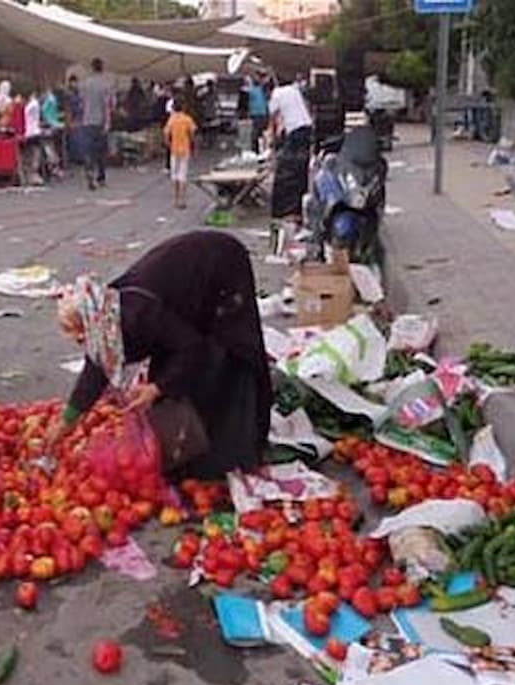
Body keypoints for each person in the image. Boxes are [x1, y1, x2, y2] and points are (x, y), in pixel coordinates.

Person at [47, 231, 272, 481]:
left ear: (92, 324)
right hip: (185, 290)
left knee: (223, 360)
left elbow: (191, 348)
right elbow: (95, 369)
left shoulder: (138, 314)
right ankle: (195, 449)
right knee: (176, 375)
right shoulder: (107, 319)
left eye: (81, 335)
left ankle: (232, 452)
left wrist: (157, 387)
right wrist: (66, 422)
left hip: (221, 269)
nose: (81, 342)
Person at [268, 74, 315, 223]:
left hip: (296, 132)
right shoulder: (294, 90)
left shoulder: (277, 93)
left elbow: (273, 117)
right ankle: (297, 207)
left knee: (288, 169)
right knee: (300, 167)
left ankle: (285, 210)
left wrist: (272, 139)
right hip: (306, 128)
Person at [79, 58, 114, 190]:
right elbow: (107, 105)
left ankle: (89, 174)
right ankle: (101, 177)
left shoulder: (84, 84)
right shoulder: (106, 85)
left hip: (87, 121)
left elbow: (82, 103)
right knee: (101, 151)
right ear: (102, 68)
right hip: (100, 121)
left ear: (92, 68)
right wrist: (107, 122)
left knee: (89, 151)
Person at [163, 96, 197, 210]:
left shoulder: (171, 119)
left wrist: (168, 143)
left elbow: (166, 133)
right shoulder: (187, 119)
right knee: (183, 175)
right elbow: (192, 133)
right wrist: (192, 144)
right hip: (185, 150)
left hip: (174, 150)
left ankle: (176, 199)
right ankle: (183, 200)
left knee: (175, 175)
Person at [246, 73, 269, 151]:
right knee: (260, 131)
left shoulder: (253, 90)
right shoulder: (260, 90)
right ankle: (258, 147)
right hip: (261, 113)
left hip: (257, 113)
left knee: (258, 131)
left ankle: (257, 147)